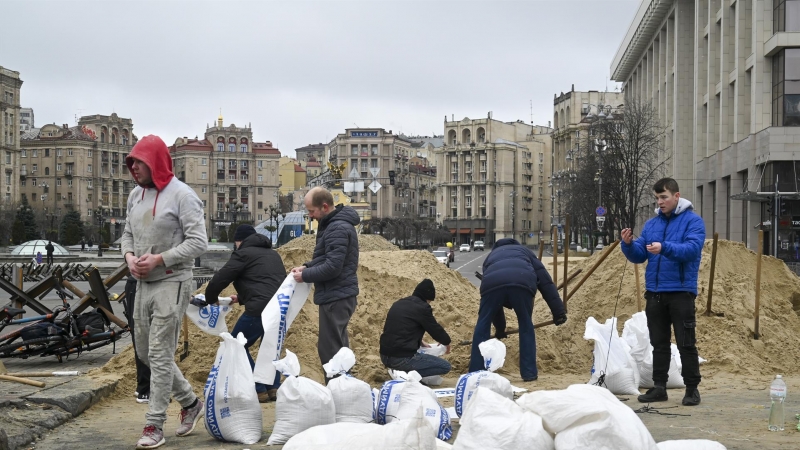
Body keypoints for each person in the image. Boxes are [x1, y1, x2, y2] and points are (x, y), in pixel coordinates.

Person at [120, 135, 208, 449]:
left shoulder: (183, 196)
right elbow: (127, 234)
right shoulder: (135, 196)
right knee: (145, 353)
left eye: (139, 163)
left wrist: (160, 258)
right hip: (142, 283)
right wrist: (130, 258)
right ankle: (191, 403)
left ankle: (153, 424)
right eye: (131, 163)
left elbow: (199, 242)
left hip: (173, 281)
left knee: (158, 354)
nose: (133, 169)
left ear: (155, 162)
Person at [621, 177, 705, 407]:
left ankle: (692, 389)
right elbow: (640, 255)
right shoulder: (652, 225)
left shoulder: (693, 222)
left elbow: (691, 249)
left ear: (676, 196)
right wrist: (628, 245)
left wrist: (664, 247)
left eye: (664, 197)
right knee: (659, 343)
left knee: (686, 343)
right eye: (657, 198)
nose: (660, 202)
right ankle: (659, 387)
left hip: (681, 293)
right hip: (655, 293)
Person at [203, 224, 286, 403]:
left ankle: (258, 388)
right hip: (279, 307)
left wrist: (210, 299)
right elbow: (265, 282)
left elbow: (221, 278)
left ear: (239, 241)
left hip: (259, 309)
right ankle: (273, 388)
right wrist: (241, 298)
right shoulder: (273, 254)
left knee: (235, 344)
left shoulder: (243, 253)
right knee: (270, 347)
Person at [467, 238, 567, 381]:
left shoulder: (490, 256)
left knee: (483, 323)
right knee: (526, 325)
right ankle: (529, 373)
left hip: (492, 285)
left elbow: (495, 307)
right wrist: (558, 312)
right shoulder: (525, 252)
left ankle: (476, 372)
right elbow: (545, 282)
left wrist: (500, 328)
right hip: (523, 283)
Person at [290, 186, 360, 370]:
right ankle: (343, 390)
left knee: (331, 351)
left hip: (336, 296)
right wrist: (307, 266)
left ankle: (338, 392)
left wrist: (305, 276)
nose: (310, 215)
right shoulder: (334, 225)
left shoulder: (337, 228)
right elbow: (327, 258)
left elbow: (332, 267)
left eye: (312, 211)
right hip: (338, 294)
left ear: (325, 207)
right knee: (337, 348)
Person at [379, 279, 451, 382]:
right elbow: (434, 329)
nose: (429, 304)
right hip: (401, 358)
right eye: (430, 301)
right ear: (427, 298)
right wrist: (446, 342)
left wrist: (420, 342)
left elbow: (400, 327)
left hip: (384, 355)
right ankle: (405, 375)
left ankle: (398, 371)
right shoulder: (422, 308)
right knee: (445, 366)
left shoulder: (398, 303)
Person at [121, 275, 151, 404]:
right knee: (142, 337)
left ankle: (145, 387)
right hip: (141, 285)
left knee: (146, 337)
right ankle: (145, 389)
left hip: (144, 284)